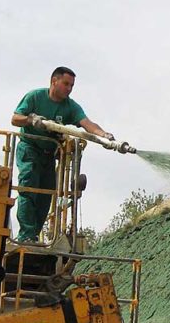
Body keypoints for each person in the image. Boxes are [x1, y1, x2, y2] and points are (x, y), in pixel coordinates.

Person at [11, 66, 113, 242]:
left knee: (46, 193)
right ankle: (25, 235)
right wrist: (31, 120)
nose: (69, 88)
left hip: (49, 153)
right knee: (29, 186)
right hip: (29, 147)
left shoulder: (70, 107)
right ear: (54, 81)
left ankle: (33, 236)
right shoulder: (35, 97)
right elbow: (15, 119)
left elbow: (87, 124)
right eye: (66, 84)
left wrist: (104, 135)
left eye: (72, 85)